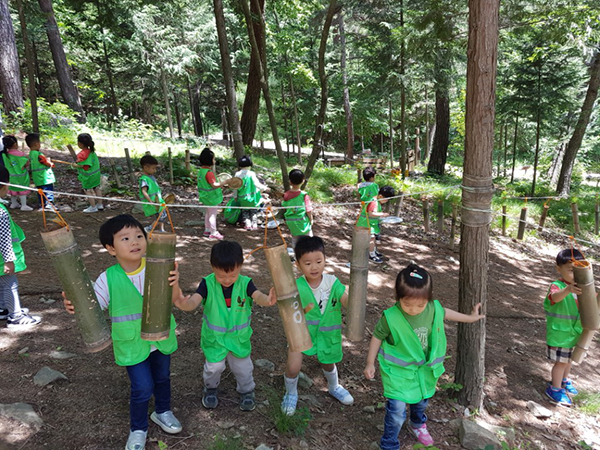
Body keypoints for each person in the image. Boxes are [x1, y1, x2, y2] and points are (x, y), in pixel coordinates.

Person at [63, 214, 182, 450]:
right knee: (142, 387)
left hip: (160, 337)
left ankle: (163, 411)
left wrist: (175, 280)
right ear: (110, 249)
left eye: (139, 236)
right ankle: (138, 428)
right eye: (125, 238)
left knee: (163, 377)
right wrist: (74, 306)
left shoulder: (158, 264)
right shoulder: (107, 278)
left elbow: (176, 297)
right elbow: (93, 307)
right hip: (131, 342)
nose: (135, 242)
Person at [364, 263, 485, 449]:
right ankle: (389, 443)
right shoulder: (390, 317)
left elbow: (447, 313)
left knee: (421, 401)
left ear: (428, 299)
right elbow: (377, 337)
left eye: (420, 304)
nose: (414, 309)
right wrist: (370, 362)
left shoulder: (432, 309)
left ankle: (418, 424)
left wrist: (470, 317)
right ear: (398, 297)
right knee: (396, 411)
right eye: (407, 304)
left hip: (424, 372)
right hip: (398, 373)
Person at [172, 240, 276, 411]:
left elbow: (258, 297)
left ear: (240, 266)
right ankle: (210, 388)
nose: (227, 280)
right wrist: (183, 303)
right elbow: (192, 303)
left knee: (243, 368)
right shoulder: (207, 284)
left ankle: (247, 391)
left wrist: (268, 300)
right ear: (212, 267)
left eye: (232, 275)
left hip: (238, 340)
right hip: (215, 340)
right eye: (221, 276)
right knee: (213, 368)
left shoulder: (245, 283)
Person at [281, 236, 354, 416]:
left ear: (325, 261)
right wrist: (304, 310)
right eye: (307, 263)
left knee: (328, 362)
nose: (314, 267)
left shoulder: (332, 282)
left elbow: (345, 301)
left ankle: (334, 386)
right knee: (293, 366)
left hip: (326, 334)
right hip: (300, 332)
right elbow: (290, 312)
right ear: (298, 265)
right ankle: (291, 393)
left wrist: (354, 296)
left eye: (318, 261)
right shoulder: (296, 286)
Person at [0, 166, 41, 327]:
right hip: (3, 260)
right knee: (10, 284)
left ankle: (3, 308)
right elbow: (4, 239)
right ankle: (16, 316)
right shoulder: (1, 213)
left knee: (2, 284)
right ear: (4, 186)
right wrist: (9, 260)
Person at [543, 249, 584, 407]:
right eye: (571, 270)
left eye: (579, 270)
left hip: (573, 334)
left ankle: (564, 381)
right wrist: (568, 289)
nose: (575, 274)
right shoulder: (557, 285)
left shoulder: (581, 287)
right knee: (561, 363)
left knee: (568, 361)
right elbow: (555, 297)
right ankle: (555, 388)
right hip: (560, 333)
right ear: (558, 268)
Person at [356, 185, 395, 264]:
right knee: (371, 239)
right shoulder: (374, 202)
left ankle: (373, 251)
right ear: (380, 196)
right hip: (365, 223)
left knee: (373, 238)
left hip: (369, 223)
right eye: (386, 199)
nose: (387, 201)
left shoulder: (375, 199)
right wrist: (382, 214)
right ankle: (371, 255)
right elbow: (371, 214)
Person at [197, 148, 228, 240]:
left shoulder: (201, 171)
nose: (214, 160)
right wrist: (224, 182)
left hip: (204, 196)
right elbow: (214, 185)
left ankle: (207, 229)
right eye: (213, 159)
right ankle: (213, 231)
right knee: (212, 214)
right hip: (212, 197)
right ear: (209, 160)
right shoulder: (209, 173)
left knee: (208, 212)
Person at [234, 155, 268, 230]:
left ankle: (248, 224)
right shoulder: (251, 173)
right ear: (250, 164)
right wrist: (264, 188)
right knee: (254, 211)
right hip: (253, 198)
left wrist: (235, 196)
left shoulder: (237, 174)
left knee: (245, 212)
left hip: (242, 198)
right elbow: (256, 183)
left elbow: (235, 187)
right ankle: (254, 224)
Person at [282, 169, 313, 248]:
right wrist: (311, 220)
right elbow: (308, 210)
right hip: (302, 223)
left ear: (290, 182)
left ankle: (297, 257)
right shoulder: (304, 195)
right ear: (303, 181)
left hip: (291, 223)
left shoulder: (286, 195)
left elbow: (284, 206)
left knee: (295, 240)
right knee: (309, 241)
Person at [1, 135, 33, 211]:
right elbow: (25, 163)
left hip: (11, 176)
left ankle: (14, 203)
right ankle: (24, 205)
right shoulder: (19, 154)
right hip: (20, 176)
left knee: (13, 189)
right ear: (15, 144)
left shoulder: (5, 154)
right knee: (22, 190)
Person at [74, 133, 103, 213]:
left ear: (80, 143)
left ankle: (93, 207)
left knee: (88, 190)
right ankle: (100, 204)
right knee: (97, 188)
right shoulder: (92, 152)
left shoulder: (82, 154)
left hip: (87, 176)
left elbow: (85, 166)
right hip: (96, 175)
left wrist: (75, 165)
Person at [26, 133, 56, 211]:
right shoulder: (39, 154)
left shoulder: (31, 154)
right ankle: (49, 205)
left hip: (37, 178)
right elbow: (46, 163)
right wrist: (51, 164)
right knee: (48, 191)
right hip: (45, 178)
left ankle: (42, 204)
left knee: (40, 191)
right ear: (36, 144)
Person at [139, 154, 166, 232]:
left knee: (162, 213)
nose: (155, 170)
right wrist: (150, 201)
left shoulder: (151, 177)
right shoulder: (144, 179)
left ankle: (161, 229)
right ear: (145, 168)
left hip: (159, 200)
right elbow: (144, 191)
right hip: (153, 201)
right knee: (162, 215)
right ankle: (150, 228)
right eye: (153, 168)